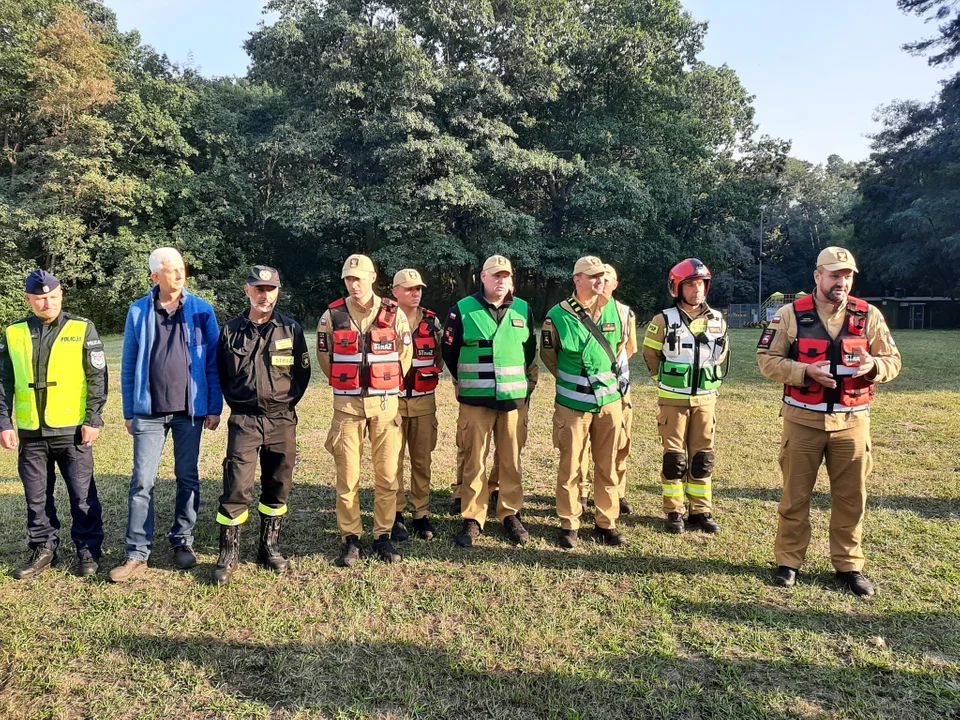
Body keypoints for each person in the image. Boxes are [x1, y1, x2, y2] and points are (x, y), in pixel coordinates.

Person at [757, 247, 901, 597]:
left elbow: (893, 360)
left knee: (852, 499)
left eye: (848, 275)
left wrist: (873, 367)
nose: (842, 281)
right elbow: (767, 360)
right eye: (835, 274)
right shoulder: (790, 315)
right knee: (795, 497)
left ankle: (849, 565)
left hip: (852, 422)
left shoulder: (868, 316)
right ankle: (788, 562)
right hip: (803, 421)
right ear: (817, 276)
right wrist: (805, 371)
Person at [110, 248, 223, 583]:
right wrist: (129, 411)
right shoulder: (138, 312)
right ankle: (136, 552)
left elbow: (213, 363)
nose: (179, 275)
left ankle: (182, 541)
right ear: (154, 276)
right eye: (171, 271)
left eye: (181, 269)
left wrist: (214, 407)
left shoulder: (202, 310)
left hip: (189, 412)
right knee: (142, 481)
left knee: (187, 476)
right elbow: (129, 365)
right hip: (148, 413)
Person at [0, 271, 107, 578]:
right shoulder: (13, 332)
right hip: (32, 433)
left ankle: (88, 549)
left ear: (61, 296)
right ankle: (43, 547)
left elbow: (97, 377)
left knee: (82, 495)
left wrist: (93, 419)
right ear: (29, 299)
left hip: (72, 430)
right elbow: (3, 381)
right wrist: (4, 424)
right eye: (40, 298)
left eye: (53, 297)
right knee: (36, 497)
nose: (47, 302)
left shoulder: (82, 328)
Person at [212, 266, 311, 585]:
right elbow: (221, 374)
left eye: (270, 289)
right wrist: (240, 403)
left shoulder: (291, 329)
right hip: (245, 420)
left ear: (278, 291)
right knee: (237, 485)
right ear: (248, 290)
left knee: (278, 483)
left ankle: (268, 546)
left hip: (282, 419)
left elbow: (303, 374)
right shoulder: (229, 331)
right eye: (259, 288)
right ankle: (229, 552)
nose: (264, 294)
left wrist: (284, 403)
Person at [319, 254, 413, 567]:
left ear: (373, 277)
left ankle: (383, 535)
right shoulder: (332, 315)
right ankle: (351, 538)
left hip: (385, 407)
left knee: (387, 477)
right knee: (348, 478)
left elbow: (404, 355)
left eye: (359, 278)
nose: (354, 284)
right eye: (348, 279)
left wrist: (381, 386)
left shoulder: (394, 313)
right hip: (347, 407)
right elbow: (326, 358)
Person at [443, 254, 538, 547]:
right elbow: (449, 352)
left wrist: (524, 391)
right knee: (474, 460)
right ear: (482, 277)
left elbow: (530, 353)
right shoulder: (462, 310)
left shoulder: (524, 309)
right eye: (495, 275)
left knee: (511, 461)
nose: (501, 281)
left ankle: (510, 513)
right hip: (475, 400)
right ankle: (473, 517)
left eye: (506, 276)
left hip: (513, 401)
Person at [541, 256, 626, 549]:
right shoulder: (558, 315)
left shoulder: (618, 311)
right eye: (592, 276)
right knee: (571, 467)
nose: (599, 280)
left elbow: (619, 350)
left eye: (601, 275)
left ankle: (606, 522)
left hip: (610, 403)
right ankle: (570, 523)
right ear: (577, 279)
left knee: (608, 466)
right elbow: (549, 357)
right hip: (572, 405)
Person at [642, 258, 729, 535]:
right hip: (673, 401)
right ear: (677, 287)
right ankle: (674, 511)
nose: (696, 290)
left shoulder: (717, 319)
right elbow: (650, 353)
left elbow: (722, 351)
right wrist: (663, 380)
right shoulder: (663, 319)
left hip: (706, 400)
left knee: (703, 458)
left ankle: (701, 511)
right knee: (675, 459)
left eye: (701, 284)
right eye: (690, 284)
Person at [576, 265, 638, 515]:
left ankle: (617, 493)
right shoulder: (579, 311)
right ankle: (581, 493)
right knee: (581, 449)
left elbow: (629, 348)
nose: (602, 283)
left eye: (607, 279)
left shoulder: (624, 313)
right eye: (598, 278)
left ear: (615, 284)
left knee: (619, 445)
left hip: (618, 391)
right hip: (583, 393)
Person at [391, 269, 443, 542]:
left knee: (422, 461)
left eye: (419, 288)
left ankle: (420, 513)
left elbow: (440, 356)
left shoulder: (432, 322)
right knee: (392, 462)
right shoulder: (385, 321)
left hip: (424, 402)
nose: (415, 293)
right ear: (395, 291)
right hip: (392, 404)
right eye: (409, 288)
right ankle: (396, 513)